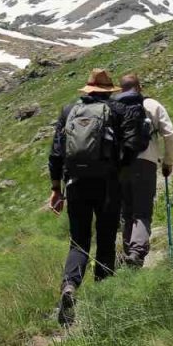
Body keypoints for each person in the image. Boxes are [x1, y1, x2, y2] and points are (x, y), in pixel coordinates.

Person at [47, 68, 143, 326]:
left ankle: (69, 286)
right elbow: (134, 145)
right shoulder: (116, 111)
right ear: (108, 90)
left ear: (88, 89)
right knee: (106, 239)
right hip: (109, 184)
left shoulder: (69, 111)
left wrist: (56, 189)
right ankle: (103, 296)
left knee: (78, 241)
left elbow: (56, 153)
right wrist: (121, 169)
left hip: (75, 184)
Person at [114, 74, 173, 267]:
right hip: (146, 162)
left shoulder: (113, 107)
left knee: (127, 212)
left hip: (121, 165)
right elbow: (169, 133)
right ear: (139, 87)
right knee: (142, 212)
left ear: (121, 89)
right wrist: (168, 162)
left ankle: (129, 256)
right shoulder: (152, 105)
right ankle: (136, 253)